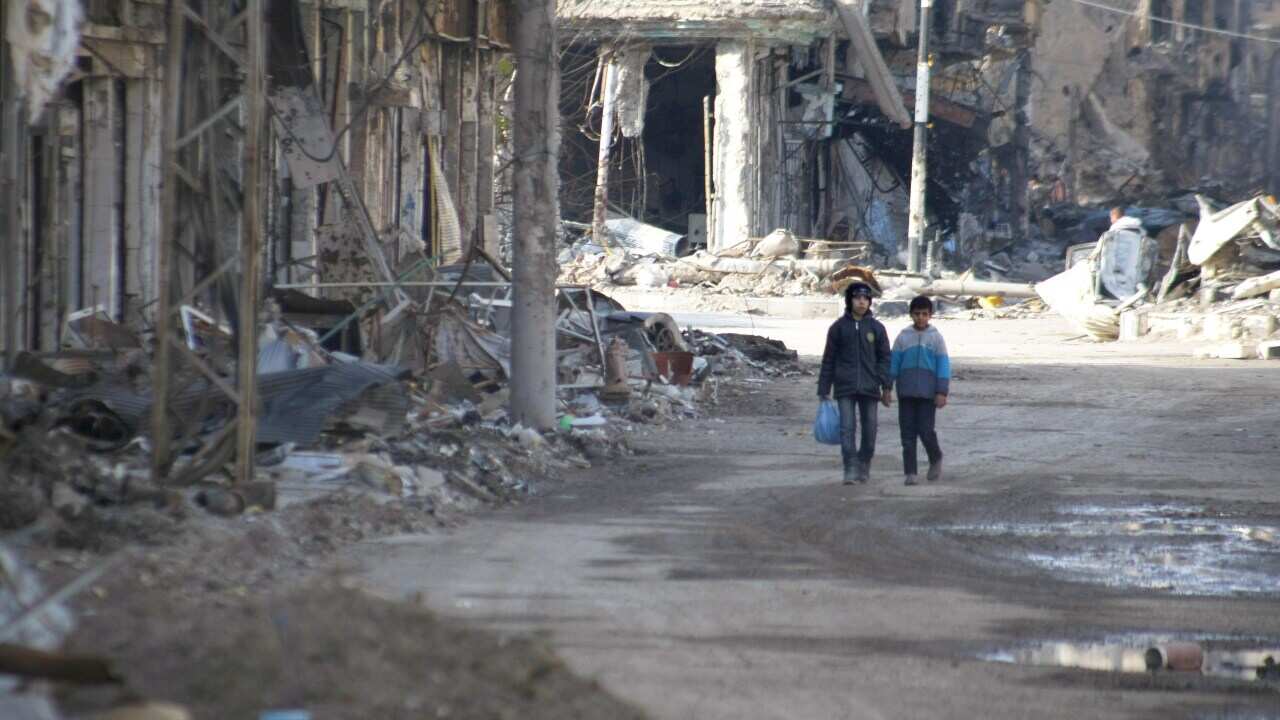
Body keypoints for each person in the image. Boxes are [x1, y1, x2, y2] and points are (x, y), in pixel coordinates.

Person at [818, 282, 892, 485]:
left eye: (865, 298)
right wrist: (824, 388)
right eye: (857, 298)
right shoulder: (838, 328)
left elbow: (885, 359)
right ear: (849, 300)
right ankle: (850, 467)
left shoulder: (877, 329)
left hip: (870, 387)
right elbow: (829, 359)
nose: (861, 301)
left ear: (870, 302)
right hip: (845, 387)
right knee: (846, 428)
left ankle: (864, 463)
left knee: (870, 429)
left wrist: (886, 386)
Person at [889, 296, 951, 486]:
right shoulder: (903, 337)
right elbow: (893, 364)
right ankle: (910, 472)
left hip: (927, 393)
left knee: (925, 431)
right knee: (907, 434)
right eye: (917, 314)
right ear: (911, 315)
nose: (921, 318)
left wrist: (941, 391)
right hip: (906, 392)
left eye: (925, 314)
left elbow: (943, 366)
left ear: (930, 315)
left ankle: (935, 457)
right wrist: (886, 386)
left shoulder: (936, 338)